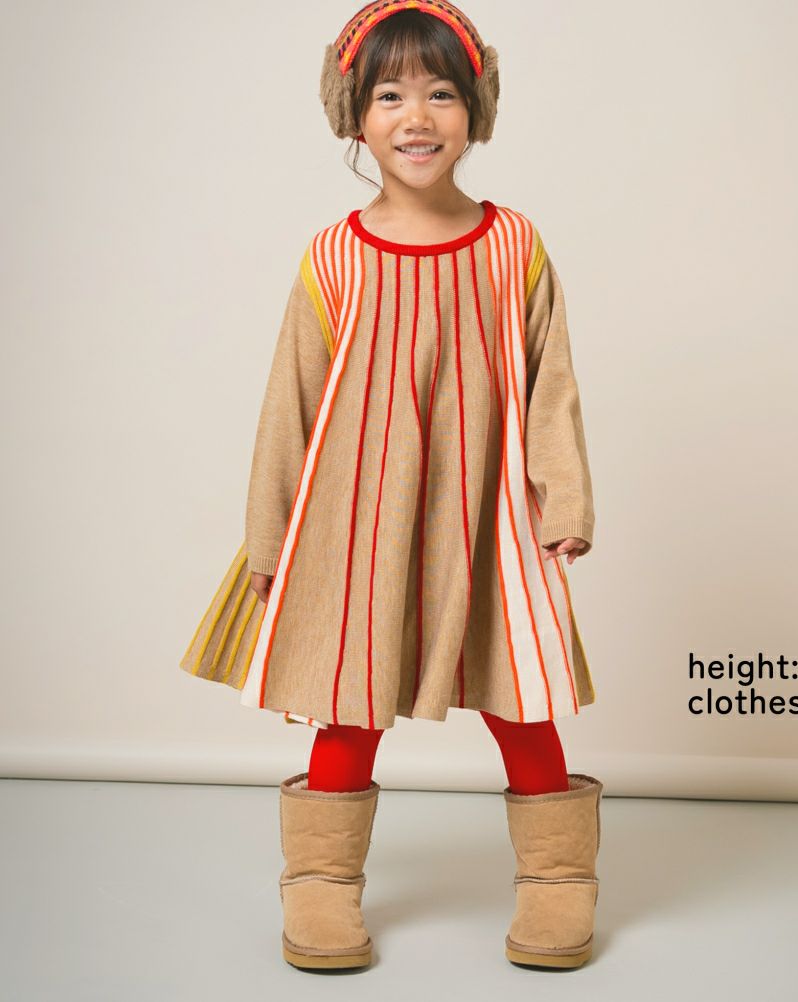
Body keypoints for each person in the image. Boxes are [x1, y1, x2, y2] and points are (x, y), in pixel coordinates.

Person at [180, 0, 603, 973]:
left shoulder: (514, 245)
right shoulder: (334, 257)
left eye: (441, 93)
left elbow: (553, 382)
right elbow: (289, 402)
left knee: (521, 697)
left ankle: (557, 880)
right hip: (359, 519)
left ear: (476, 107)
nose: (417, 117)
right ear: (355, 117)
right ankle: (321, 885)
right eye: (390, 97)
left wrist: (565, 501)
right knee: (348, 700)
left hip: (488, 517)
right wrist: (270, 539)